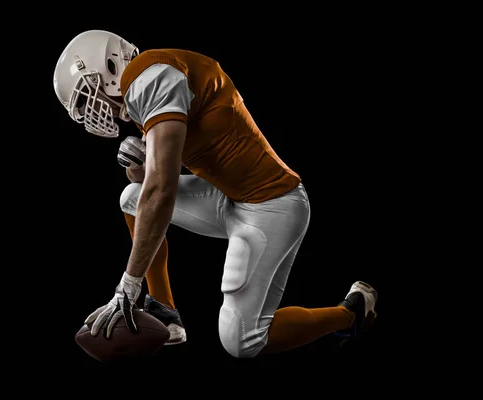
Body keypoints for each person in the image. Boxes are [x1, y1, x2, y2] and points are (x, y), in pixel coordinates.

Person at [53, 30, 378, 358]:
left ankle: (349, 314)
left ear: (109, 65)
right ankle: (165, 311)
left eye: (86, 96)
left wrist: (128, 284)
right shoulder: (148, 92)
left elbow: (161, 189)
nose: (91, 110)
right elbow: (148, 182)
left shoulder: (148, 75)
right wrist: (137, 162)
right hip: (231, 196)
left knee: (242, 340)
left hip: (273, 204)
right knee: (131, 197)